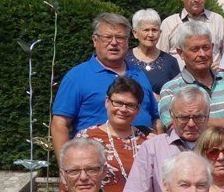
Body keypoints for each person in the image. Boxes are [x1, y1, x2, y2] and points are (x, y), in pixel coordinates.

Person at [51, 12, 159, 158]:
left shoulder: (139, 75)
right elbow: (59, 124)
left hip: (142, 160)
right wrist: (66, 165)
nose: (114, 43)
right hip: (95, 161)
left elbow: (155, 118)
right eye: (107, 37)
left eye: (120, 37)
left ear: (127, 42)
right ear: (95, 40)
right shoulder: (77, 76)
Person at [125, 86, 214, 192]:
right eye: (183, 117)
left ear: (208, 116)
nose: (191, 123)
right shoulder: (152, 148)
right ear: (172, 115)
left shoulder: (221, 149)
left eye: (198, 117)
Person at [158, 21, 224, 131]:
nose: (202, 54)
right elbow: (175, 128)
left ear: (212, 47)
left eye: (206, 47)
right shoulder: (170, 90)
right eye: (195, 49)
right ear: (181, 53)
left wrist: (199, 123)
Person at [74, 77, 151, 192]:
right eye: (118, 103)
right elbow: (71, 178)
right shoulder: (86, 138)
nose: (123, 109)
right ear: (107, 102)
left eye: (130, 105)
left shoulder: (147, 140)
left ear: (137, 109)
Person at [159, 0, 224, 63]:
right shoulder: (169, 24)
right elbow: (160, 58)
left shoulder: (217, 21)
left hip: (213, 72)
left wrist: (221, 66)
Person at [127, 9, 180, 94]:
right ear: (135, 33)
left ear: (160, 33)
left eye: (154, 30)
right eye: (146, 30)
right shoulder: (124, 59)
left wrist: (162, 98)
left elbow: (178, 94)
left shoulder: (170, 62)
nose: (151, 34)